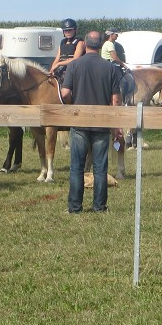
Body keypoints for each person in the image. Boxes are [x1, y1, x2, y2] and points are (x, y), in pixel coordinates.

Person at [61, 30, 122, 214]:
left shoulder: (74, 66)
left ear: (86, 44)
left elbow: (64, 93)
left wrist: (73, 105)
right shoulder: (110, 68)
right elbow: (116, 100)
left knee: (76, 167)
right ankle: (99, 207)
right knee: (100, 168)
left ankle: (74, 207)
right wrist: (116, 126)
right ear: (101, 44)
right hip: (102, 124)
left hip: (79, 123)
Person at [101, 28, 134, 105]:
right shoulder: (109, 44)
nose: (117, 36)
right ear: (111, 35)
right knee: (124, 83)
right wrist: (125, 66)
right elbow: (115, 58)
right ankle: (123, 101)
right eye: (116, 35)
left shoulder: (108, 43)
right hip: (111, 66)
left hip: (110, 65)